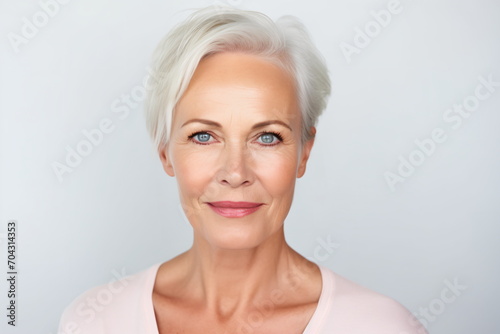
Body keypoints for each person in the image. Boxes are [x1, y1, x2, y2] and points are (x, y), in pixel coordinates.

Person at [58, 5, 427, 334]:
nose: (235, 173)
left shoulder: (383, 327)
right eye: (203, 136)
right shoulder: (94, 321)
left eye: (267, 138)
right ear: (166, 153)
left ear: (304, 153)